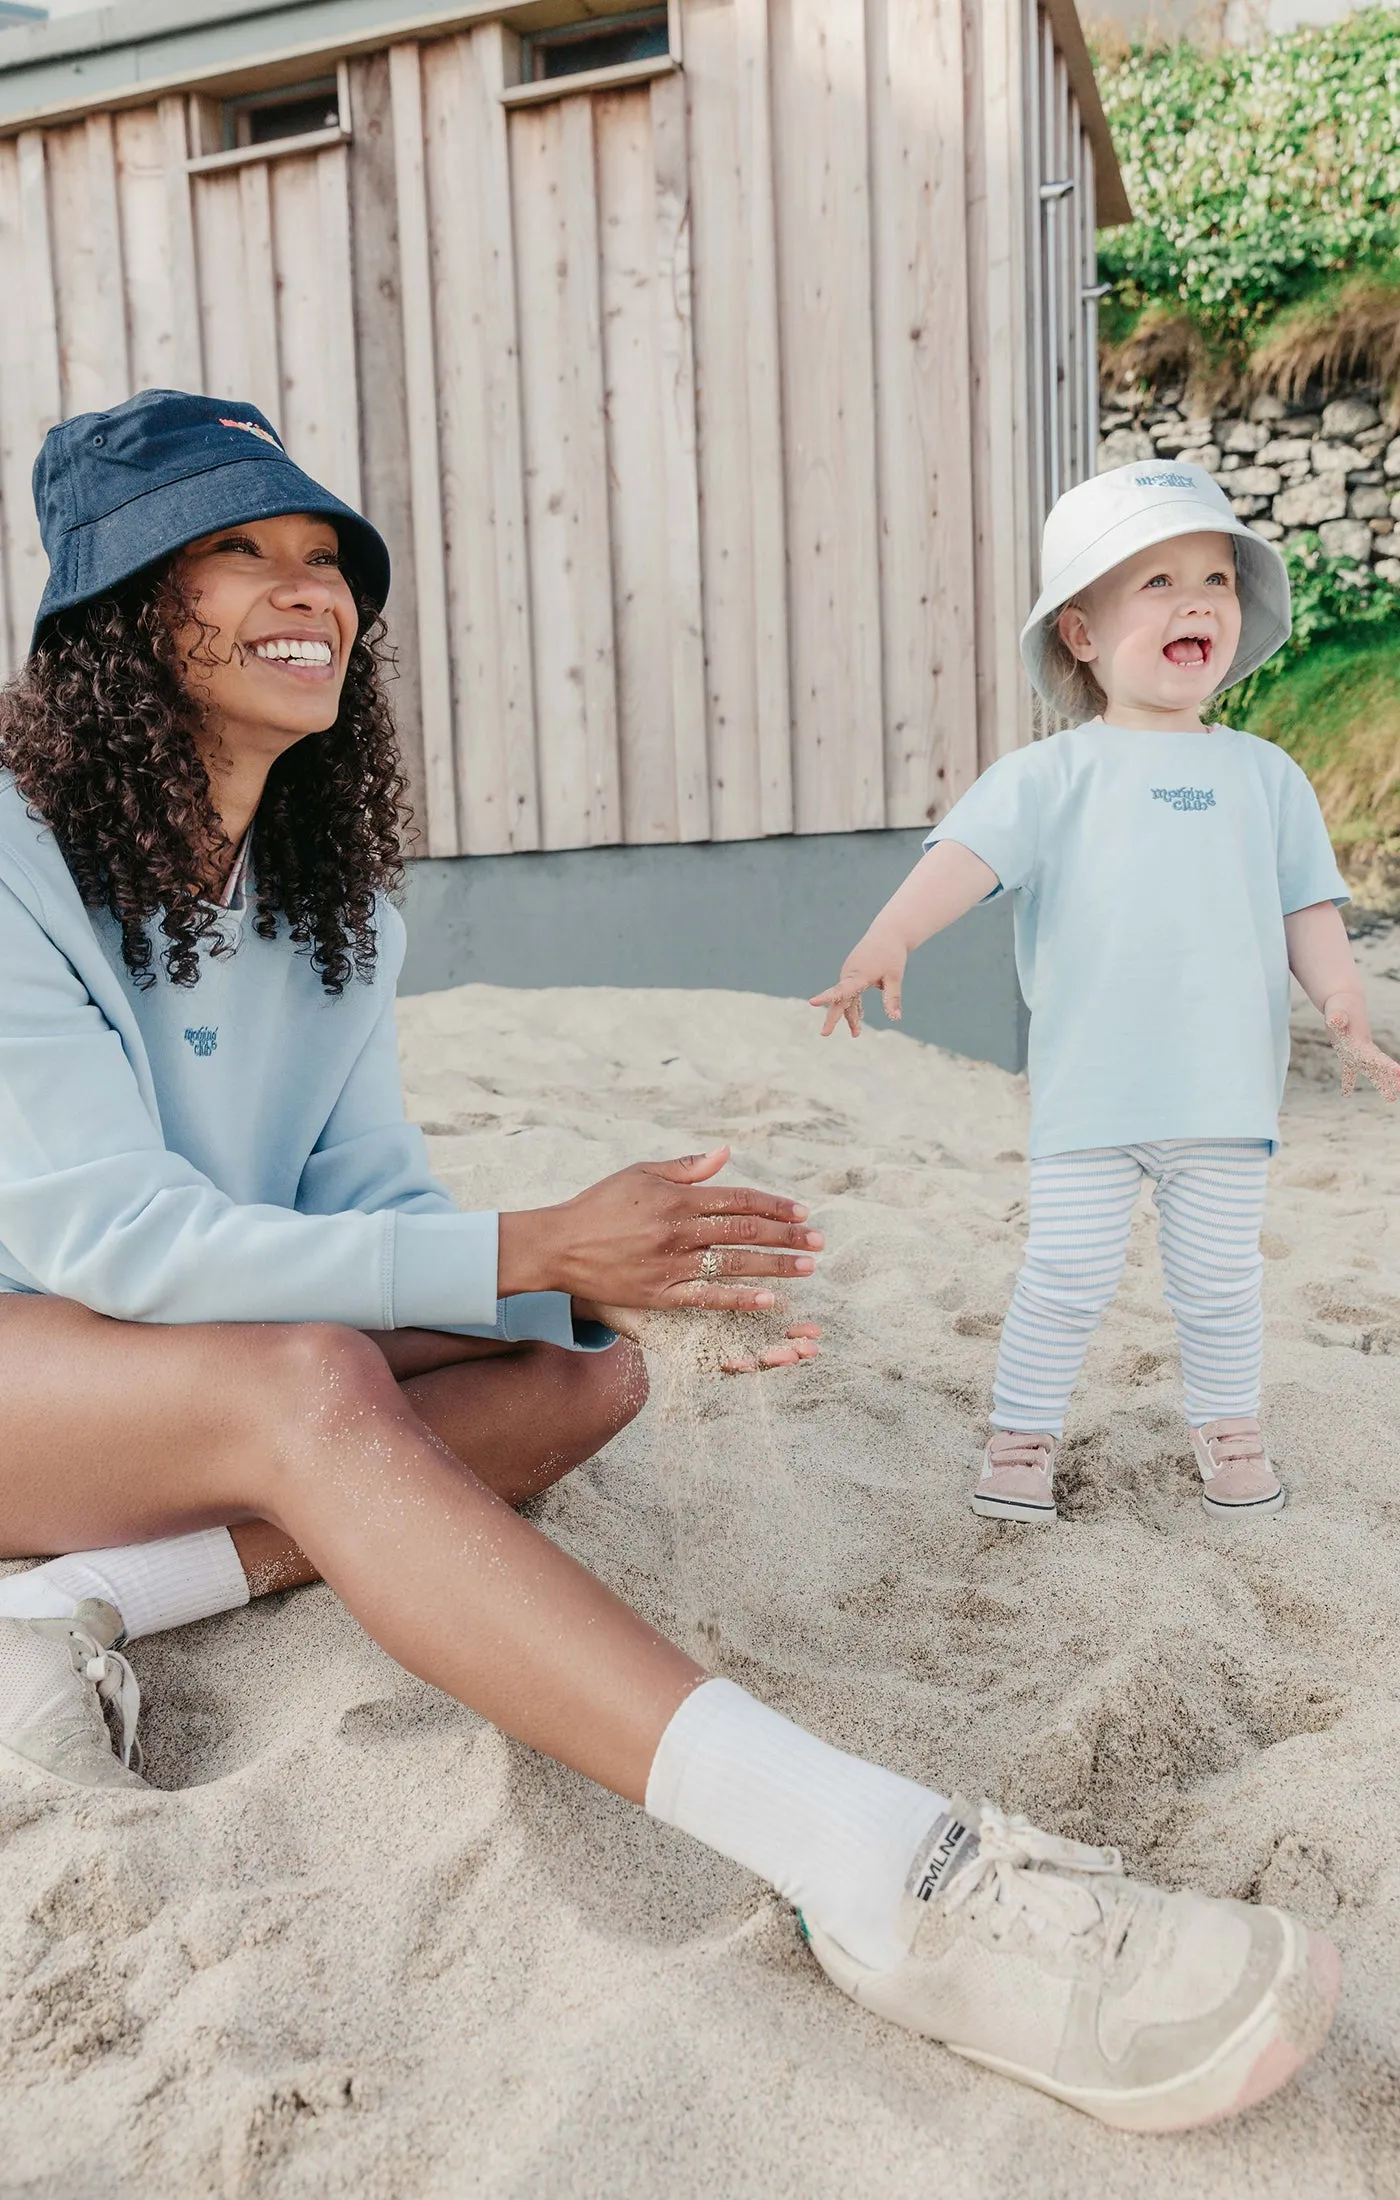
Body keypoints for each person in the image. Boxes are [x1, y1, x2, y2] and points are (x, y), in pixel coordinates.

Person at [0, 397, 1338, 2132]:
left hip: (162, 1387)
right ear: (114, 623)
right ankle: (877, 1867)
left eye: (328, 556)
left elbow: (367, 1197)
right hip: (50, 1361)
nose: (306, 587)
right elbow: (112, 1240)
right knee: (310, 1380)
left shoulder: (339, 910)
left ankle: (76, 1600)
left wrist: (596, 1283)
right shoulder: (17, 858)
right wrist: (534, 1237)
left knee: (580, 1378)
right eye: (237, 550)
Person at [814, 459, 1400, 1529]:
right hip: (1091, 1095)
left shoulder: (1264, 776)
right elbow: (965, 858)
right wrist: (887, 936)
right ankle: (1022, 1438)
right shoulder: (1051, 776)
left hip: (1223, 1095)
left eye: (1214, 580)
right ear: (1078, 633)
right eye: (1156, 582)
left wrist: (1341, 1004)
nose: (1194, 602)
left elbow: (1303, 908)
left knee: (1220, 1283)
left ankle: (1229, 1436)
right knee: (1065, 1276)